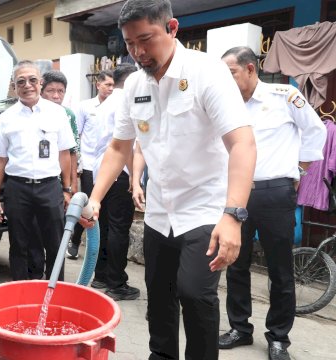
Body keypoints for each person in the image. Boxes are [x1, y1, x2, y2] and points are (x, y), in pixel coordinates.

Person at [82, 1, 257, 359]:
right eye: (130, 43)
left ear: (172, 28)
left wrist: (233, 214)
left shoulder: (206, 72)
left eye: (146, 40)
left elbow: (242, 143)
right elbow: (119, 148)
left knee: (194, 293)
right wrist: (96, 197)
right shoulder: (132, 86)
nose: (138, 52)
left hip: (206, 209)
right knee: (159, 296)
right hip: (160, 212)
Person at [219, 46, 326, 360]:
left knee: (280, 269)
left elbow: (315, 130)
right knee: (236, 263)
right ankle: (240, 328)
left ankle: (278, 337)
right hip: (237, 193)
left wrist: (299, 170)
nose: (226, 81)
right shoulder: (226, 105)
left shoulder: (283, 96)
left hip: (275, 193)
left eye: (231, 73)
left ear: (250, 69)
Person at [0, 60, 75, 281]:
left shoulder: (57, 113)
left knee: (55, 244)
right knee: (19, 245)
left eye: (32, 80)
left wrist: (67, 189)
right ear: (15, 87)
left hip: (50, 187)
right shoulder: (5, 118)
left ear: (40, 82)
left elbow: (65, 153)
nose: (27, 85)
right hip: (18, 189)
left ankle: (56, 291)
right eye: (21, 81)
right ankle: (21, 291)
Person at [90, 64, 140, 300]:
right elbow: (125, 145)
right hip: (120, 172)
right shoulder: (125, 102)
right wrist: (135, 177)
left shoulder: (106, 102)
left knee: (106, 226)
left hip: (102, 170)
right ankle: (117, 283)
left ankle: (101, 275)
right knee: (119, 228)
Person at [26, 70, 80, 279]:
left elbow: (72, 151)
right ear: (41, 88)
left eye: (61, 91)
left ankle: (56, 282)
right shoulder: (29, 111)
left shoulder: (68, 115)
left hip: (58, 186)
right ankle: (34, 279)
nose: (56, 96)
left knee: (56, 237)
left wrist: (72, 186)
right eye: (51, 91)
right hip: (33, 184)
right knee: (33, 236)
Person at [67, 70, 115, 260]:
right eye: (107, 85)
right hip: (88, 165)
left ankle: (99, 250)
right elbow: (75, 136)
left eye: (113, 85)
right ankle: (75, 241)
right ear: (98, 85)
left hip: (110, 167)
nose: (111, 89)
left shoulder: (117, 107)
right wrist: (77, 163)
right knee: (87, 207)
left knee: (105, 209)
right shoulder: (86, 107)